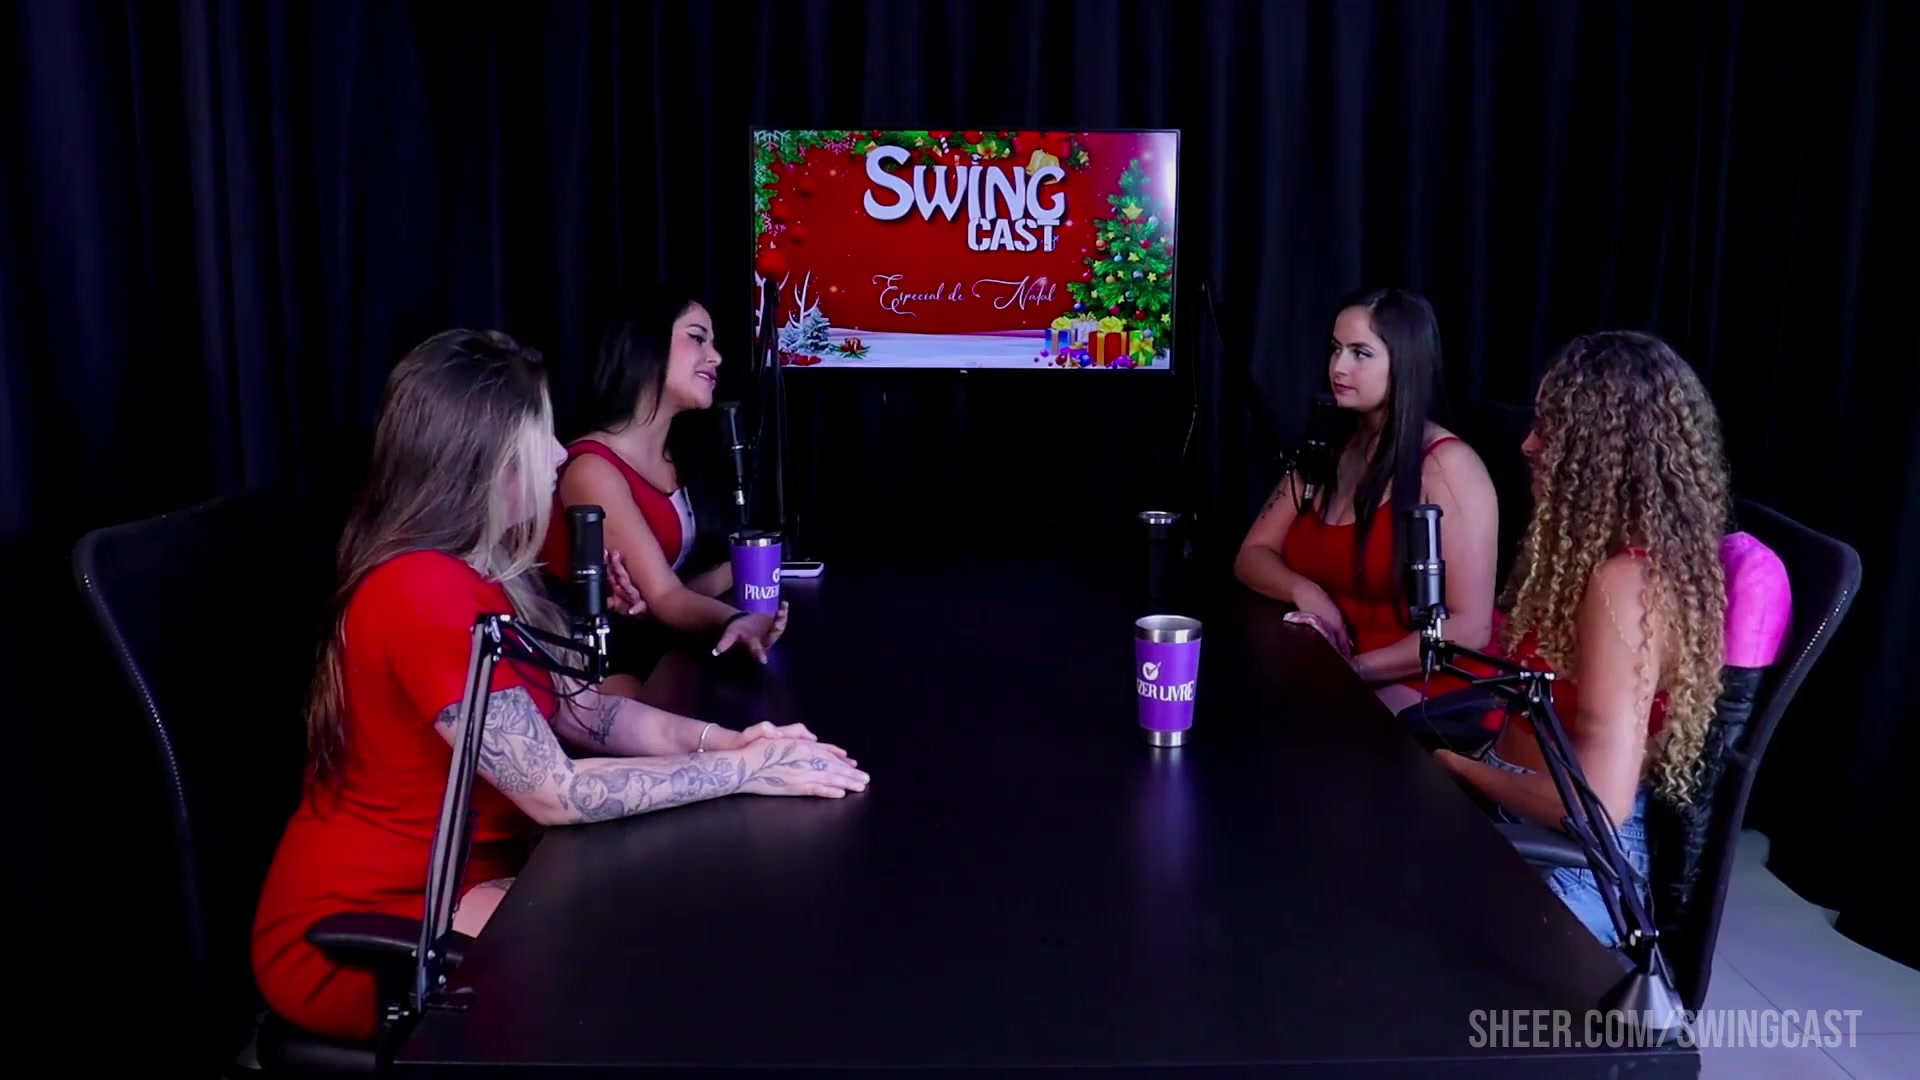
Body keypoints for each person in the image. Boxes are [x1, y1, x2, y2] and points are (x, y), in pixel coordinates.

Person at [252, 329, 869, 1043]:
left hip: (464, 888)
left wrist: (735, 742)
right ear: (485, 458)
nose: (556, 456)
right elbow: (555, 790)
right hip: (367, 931)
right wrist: (745, 771)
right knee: (651, 973)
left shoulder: (479, 576)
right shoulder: (419, 591)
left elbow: (585, 714)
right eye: (539, 437)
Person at [1433, 330, 1730, 947]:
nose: (1528, 443)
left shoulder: (1627, 585)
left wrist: (1456, 768)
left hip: (1573, 866)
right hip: (1523, 819)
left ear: (1605, 450)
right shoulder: (1593, 561)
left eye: (1550, 428)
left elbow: (1597, 806)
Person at [1234, 288, 1499, 708]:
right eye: (1336, 349)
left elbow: (1470, 629)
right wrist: (1306, 591)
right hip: (1331, 670)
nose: (1338, 367)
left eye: (1361, 353)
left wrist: (1352, 671)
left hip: (1426, 680)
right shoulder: (1331, 446)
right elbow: (1251, 554)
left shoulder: (1448, 466)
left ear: (1404, 363)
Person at [543, 294, 788, 669]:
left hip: (652, 649)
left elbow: (666, 597)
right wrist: (736, 619)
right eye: (697, 338)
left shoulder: (683, 458)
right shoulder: (592, 469)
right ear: (647, 345)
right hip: (592, 668)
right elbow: (664, 596)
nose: (716, 357)